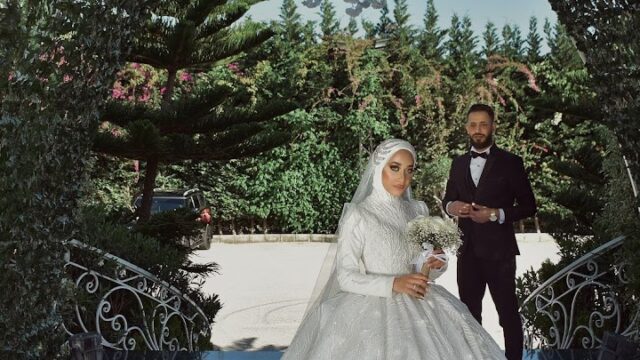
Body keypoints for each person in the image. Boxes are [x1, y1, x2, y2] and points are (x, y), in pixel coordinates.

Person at [282, 139, 506, 360]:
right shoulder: (359, 214)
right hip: (372, 309)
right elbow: (345, 277)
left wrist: (436, 263)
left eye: (409, 170)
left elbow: (422, 264)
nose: (403, 178)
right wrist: (393, 283)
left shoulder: (418, 209)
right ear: (379, 166)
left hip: (424, 303)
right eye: (395, 168)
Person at [442, 104, 537, 360]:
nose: (478, 130)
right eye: (473, 125)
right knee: (470, 316)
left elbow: (529, 206)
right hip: (467, 252)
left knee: (507, 314)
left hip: (500, 253)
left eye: (483, 124)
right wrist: (454, 207)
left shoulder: (511, 163)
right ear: (466, 128)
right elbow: (447, 201)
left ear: (493, 126)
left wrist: (495, 214)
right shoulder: (458, 163)